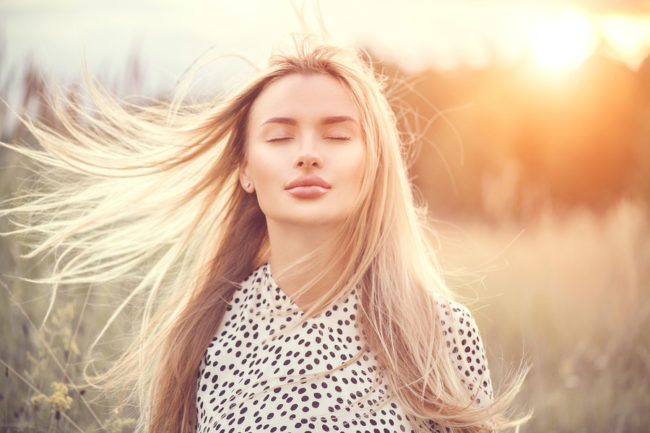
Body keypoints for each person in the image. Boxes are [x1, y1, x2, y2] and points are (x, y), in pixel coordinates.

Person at [0, 37, 527, 433]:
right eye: (279, 135)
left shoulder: (437, 332)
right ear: (245, 169)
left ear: (373, 166)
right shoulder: (201, 334)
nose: (307, 152)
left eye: (338, 134)